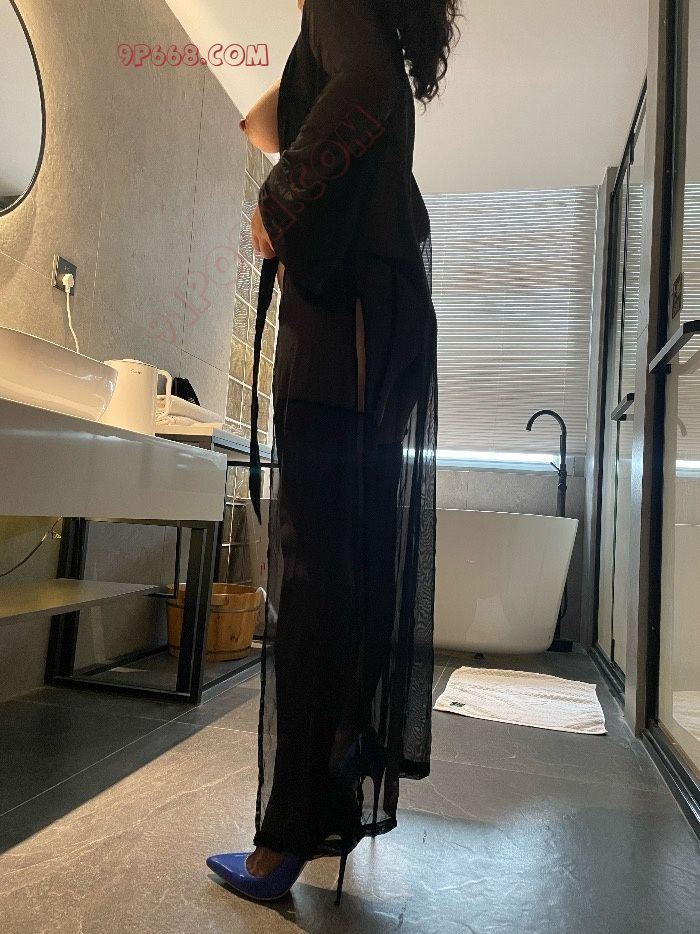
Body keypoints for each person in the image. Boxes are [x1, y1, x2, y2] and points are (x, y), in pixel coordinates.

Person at [207, 0, 460, 905]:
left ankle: (284, 842)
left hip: (345, 324)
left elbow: (359, 88)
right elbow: (288, 113)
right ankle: (339, 761)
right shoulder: (368, 24)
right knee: (347, 562)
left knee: (315, 569)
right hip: (378, 325)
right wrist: (293, 92)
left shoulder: (341, 7)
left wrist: (279, 199)